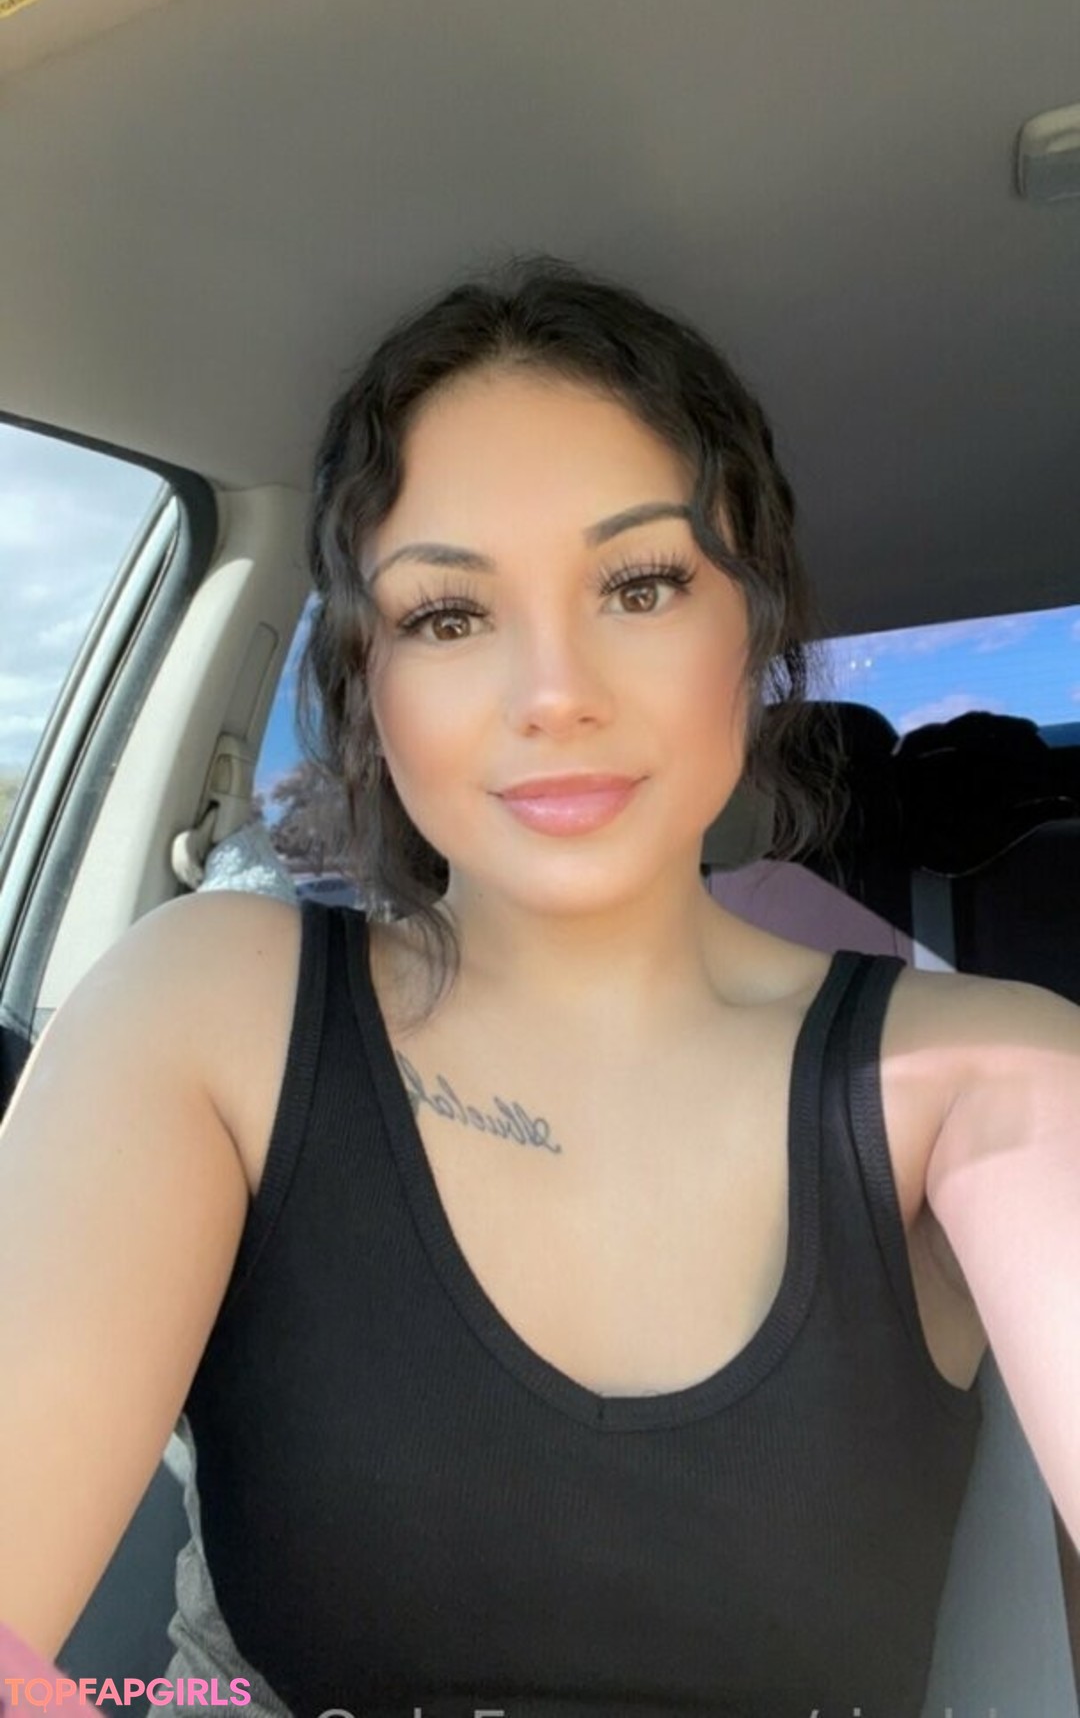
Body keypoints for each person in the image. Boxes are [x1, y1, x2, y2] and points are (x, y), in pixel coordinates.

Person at [1, 256, 1078, 1718]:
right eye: (448, 614)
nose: (554, 690)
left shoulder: (995, 1079)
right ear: (370, 680)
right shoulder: (208, 1011)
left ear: (752, 630)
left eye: (641, 584)